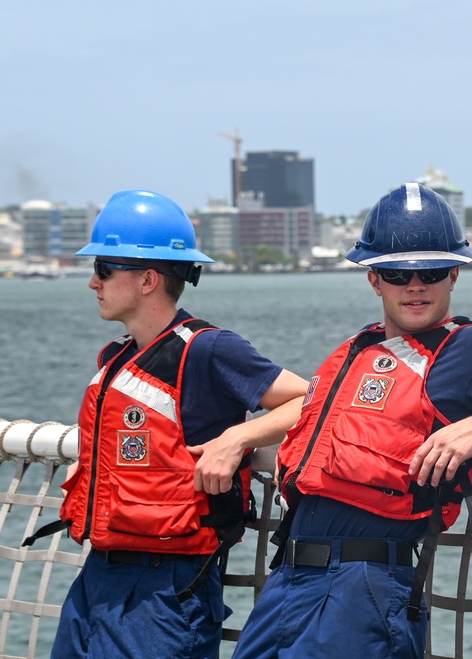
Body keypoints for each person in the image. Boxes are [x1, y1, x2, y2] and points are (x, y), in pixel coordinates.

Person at [223, 182, 472, 659]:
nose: (415, 285)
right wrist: (240, 435)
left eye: (430, 271)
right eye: (396, 272)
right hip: (288, 578)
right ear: (373, 278)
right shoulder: (357, 350)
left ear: (454, 273)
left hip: (365, 583)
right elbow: (311, 411)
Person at [23, 190, 309, 658]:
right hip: (100, 573)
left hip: (167, 587)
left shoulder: (208, 349)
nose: (92, 283)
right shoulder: (118, 357)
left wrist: (238, 437)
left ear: (147, 279)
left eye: (103, 269)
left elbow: (311, 400)